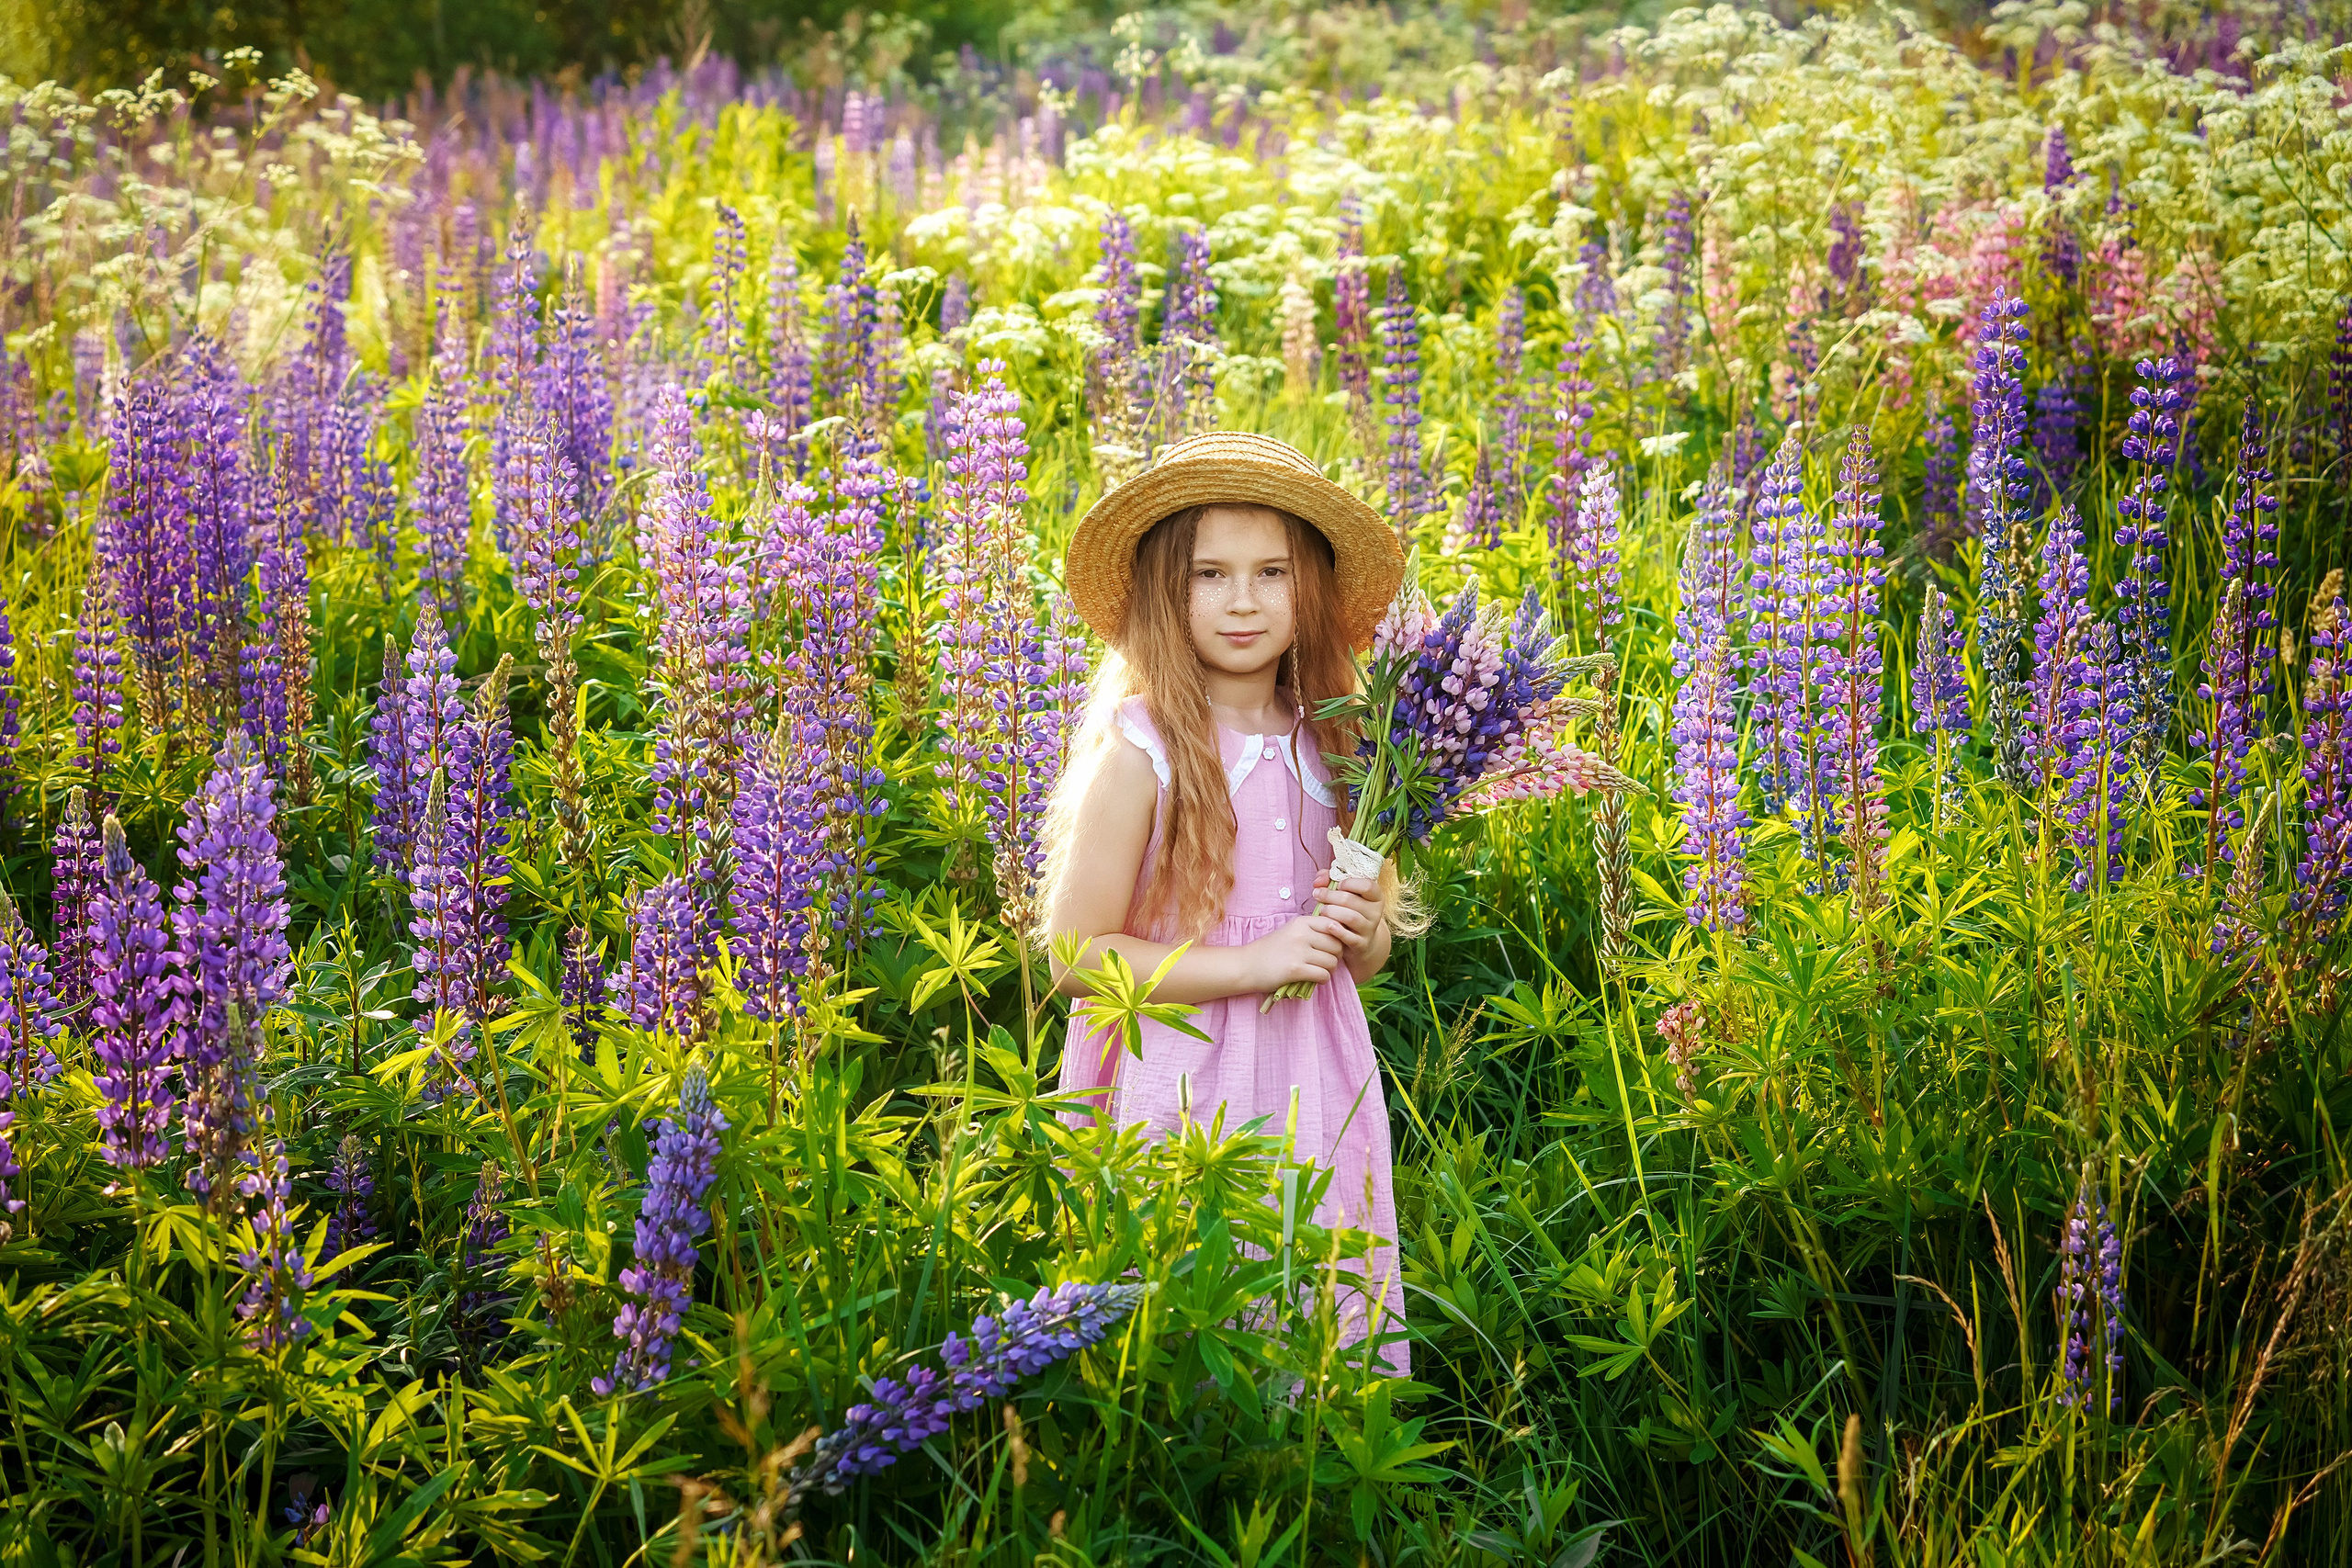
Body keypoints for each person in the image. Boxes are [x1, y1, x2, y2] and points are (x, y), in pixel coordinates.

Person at [1041, 430, 1411, 1374]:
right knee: (1190, 1311)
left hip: (1314, 1073)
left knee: (1313, 1284)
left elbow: (1366, 955)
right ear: (1168, 589)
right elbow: (1075, 953)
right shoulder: (1144, 747)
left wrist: (1359, 930)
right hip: (1180, 1066)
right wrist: (1251, 963)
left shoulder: (1344, 746)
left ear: (1310, 590)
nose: (1242, 601)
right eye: (1210, 573)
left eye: (1271, 573)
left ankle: (1313, 1464)